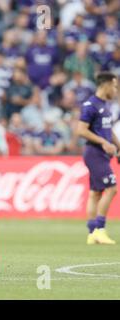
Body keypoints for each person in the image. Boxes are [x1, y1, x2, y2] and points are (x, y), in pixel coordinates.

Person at [77, 72, 119, 245]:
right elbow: (81, 130)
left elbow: (108, 131)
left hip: (102, 153)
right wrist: (103, 142)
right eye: (115, 86)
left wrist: (117, 145)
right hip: (94, 153)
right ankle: (100, 229)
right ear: (106, 85)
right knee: (111, 188)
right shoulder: (90, 105)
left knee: (95, 193)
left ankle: (92, 233)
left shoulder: (105, 105)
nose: (116, 90)